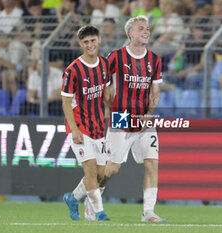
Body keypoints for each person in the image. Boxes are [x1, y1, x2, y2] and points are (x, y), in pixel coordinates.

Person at [85, 15, 167, 222]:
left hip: (143, 117)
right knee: (112, 168)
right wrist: (112, 110)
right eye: (141, 28)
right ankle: (91, 202)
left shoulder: (154, 60)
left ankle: (148, 212)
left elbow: (155, 91)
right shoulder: (116, 56)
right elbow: (103, 86)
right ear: (130, 33)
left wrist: (148, 115)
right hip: (121, 116)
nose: (146, 31)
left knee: (152, 163)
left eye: (147, 28)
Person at [62, 25, 111, 221]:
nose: (90, 45)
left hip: (98, 125)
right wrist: (73, 129)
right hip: (79, 126)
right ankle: (99, 213)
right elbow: (66, 101)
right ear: (81, 43)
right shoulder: (72, 70)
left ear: (99, 40)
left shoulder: (105, 65)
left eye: (93, 40)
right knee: (90, 169)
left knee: (101, 174)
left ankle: (73, 198)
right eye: (86, 42)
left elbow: (106, 93)